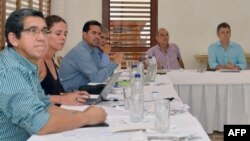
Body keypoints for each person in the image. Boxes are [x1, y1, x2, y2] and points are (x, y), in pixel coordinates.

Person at [0, 9, 106, 141]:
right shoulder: (9, 71)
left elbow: (45, 105)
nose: (41, 37)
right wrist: (86, 118)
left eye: (44, 31)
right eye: (33, 31)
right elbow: (39, 124)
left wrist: (81, 113)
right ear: (14, 39)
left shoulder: (27, 63)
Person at [37, 15, 89, 105]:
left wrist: (71, 94)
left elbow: (53, 92)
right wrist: (61, 99)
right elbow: (30, 98)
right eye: (58, 34)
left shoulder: (50, 59)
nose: (63, 37)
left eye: (65, 34)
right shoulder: (38, 61)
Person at [59, 20, 124, 91]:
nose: (97, 37)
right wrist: (114, 63)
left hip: (83, 91)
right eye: (94, 33)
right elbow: (97, 79)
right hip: (70, 94)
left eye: (99, 34)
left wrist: (112, 61)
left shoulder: (93, 49)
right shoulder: (81, 52)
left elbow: (101, 71)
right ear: (84, 34)